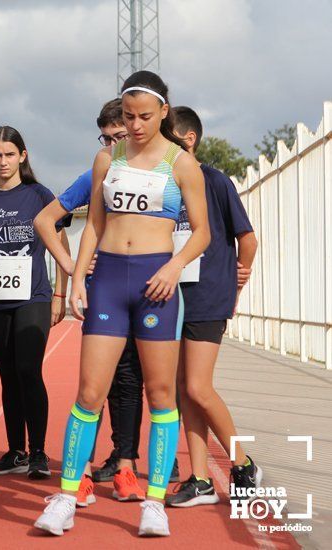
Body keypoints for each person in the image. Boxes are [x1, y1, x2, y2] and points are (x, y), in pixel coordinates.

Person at [34, 71, 209, 537]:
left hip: (156, 283)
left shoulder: (180, 164)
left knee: (161, 394)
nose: (134, 125)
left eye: (144, 117)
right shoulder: (105, 158)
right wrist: (76, 277)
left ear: (163, 113)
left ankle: (154, 505)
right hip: (109, 280)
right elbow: (92, 223)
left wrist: (173, 268)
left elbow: (204, 234)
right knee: (89, 392)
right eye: (128, 116)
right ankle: (67, 496)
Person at [34, 98, 156, 506]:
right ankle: (82, 473)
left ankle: (125, 467)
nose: (113, 144)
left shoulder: (162, 170)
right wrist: (71, 268)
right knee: (94, 386)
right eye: (106, 138)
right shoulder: (98, 172)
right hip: (105, 291)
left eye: (119, 136)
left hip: (146, 291)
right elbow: (44, 220)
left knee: (131, 383)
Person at [165, 106, 260, 507]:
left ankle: (242, 463)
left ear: (187, 140)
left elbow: (248, 239)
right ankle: (200, 477)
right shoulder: (167, 186)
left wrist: (239, 277)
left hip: (207, 296)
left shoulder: (215, 182)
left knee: (198, 387)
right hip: (172, 295)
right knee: (182, 390)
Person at [0, 126, 65, 479]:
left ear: (23, 155)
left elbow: (60, 242)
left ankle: (38, 451)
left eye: (9, 154)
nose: (3, 162)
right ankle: (15, 451)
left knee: (28, 369)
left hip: (33, 297)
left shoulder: (39, 195)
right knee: (8, 376)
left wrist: (60, 293)